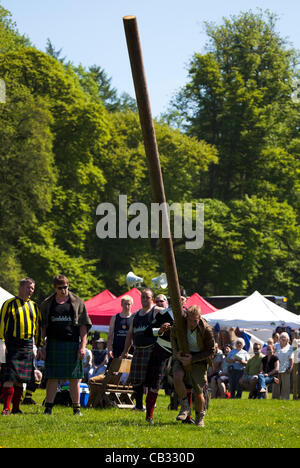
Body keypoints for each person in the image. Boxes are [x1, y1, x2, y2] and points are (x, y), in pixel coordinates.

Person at [40, 274, 92, 415]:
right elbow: (43, 326)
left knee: (74, 377)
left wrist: (83, 346)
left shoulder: (77, 302)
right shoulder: (48, 303)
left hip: (72, 344)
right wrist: (40, 346)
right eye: (60, 288)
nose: (63, 290)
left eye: (66, 287)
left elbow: (83, 327)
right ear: (55, 288)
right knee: (52, 376)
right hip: (53, 344)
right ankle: (48, 408)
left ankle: (76, 409)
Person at [0, 277, 43, 415]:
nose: (30, 291)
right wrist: (2, 342)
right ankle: (6, 408)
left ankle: (16, 408)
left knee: (21, 380)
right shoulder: (9, 304)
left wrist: (37, 345)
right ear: (20, 287)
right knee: (10, 378)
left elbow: (38, 327)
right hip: (12, 343)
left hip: (27, 344)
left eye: (32, 289)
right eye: (28, 287)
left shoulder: (34, 306)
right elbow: (2, 323)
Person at [171, 305, 215, 427]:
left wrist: (193, 359)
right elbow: (173, 337)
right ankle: (185, 406)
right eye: (189, 320)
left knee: (198, 391)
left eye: (194, 321)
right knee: (177, 377)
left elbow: (211, 350)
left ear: (199, 318)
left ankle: (200, 417)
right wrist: (177, 354)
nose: (191, 323)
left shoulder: (206, 330)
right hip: (183, 355)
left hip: (199, 358)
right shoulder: (180, 324)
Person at [121, 288, 164, 411]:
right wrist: (125, 351)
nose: (144, 299)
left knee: (151, 379)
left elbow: (169, 316)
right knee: (136, 379)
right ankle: (139, 406)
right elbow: (130, 335)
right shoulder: (135, 315)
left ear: (152, 299)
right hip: (138, 350)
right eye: (143, 297)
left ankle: (150, 404)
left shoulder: (156, 311)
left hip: (152, 349)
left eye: (147, 297)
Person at [143, 294, 173, 424]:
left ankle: (187, 416)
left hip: (180, 351)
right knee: (155, 383)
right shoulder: (163, 314)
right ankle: (149, 416)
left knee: (185, 383)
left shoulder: (188, 314)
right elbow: (148, 331)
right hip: (162, 349)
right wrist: (159, 330)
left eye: (182, 299)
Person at [107, 296, 134, 361]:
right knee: (111, 370)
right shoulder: (115, 317)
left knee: (128, 371)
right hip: (116, 350)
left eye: (129, 304)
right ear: (121, 304)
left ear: (132, 305)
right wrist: (110, 349)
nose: (127, 306)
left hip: (129, 350)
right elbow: (110, 335)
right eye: (125, 304)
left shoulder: (134, 318)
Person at [273, 332, 294, 400]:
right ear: (279, 338)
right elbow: (272, 355)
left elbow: (291, 359)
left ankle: (285, 398)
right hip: (276, 368)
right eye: (281, 337)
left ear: (288, 339)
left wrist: (290, 367)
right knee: (275, 384)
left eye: (284, 337)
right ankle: (275, 398)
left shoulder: (290, 347)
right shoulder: (276, 345)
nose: (283, 338)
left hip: (285, 369)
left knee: (286, 385)